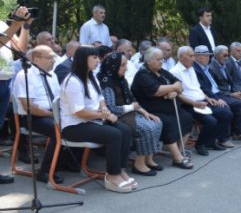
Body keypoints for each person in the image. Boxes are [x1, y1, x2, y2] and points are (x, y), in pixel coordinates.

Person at [59, 46, 135, 193]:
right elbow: (79, 112)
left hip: (92, 120)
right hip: (74, 126)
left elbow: (100, 99)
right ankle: (112, 175)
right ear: (83, 60)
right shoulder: (72, 81)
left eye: (97, 57)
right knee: (114, 135)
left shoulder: (91, 76)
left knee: (125, 130)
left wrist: (104, 109)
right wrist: (103, 115)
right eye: (94, 58)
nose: (98, 61)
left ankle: (120, 169)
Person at [98, 52, 163, 176]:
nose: (126, 68)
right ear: (114, 66)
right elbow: (111, 108)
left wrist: (146, 113)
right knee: (146, 128)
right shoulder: (107, 84)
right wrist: (131, 107)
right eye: (123, 65)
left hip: (128, 113)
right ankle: (139, 164)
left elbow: (132, 99)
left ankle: (148, 159)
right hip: (117, 117)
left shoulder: (121, 80)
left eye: (126, 64)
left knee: (156, 122)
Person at [131, 47, 194, 169]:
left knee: (187, 117)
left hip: (170, 107)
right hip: (151, 110)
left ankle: (180, 151)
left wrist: (174, 91)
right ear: (149, 61)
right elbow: (156, 90)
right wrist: (173, 88)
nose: (161, 61)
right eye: (158, 59)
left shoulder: (162, 71)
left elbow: (179, 83)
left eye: (162, 59)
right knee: (168, 123)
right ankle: (177, 158)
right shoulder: (142, 75)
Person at [13, 45, 64, 184]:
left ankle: (64, 163)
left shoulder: (52, 75)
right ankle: (45, 171)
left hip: (52, 113)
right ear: (36, 59)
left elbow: (59, 98)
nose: (54, 60)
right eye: (50, 57)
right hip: (33, 117)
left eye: (54, 57)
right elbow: (28, 106)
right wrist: (52, 115)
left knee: (75, 124)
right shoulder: (25, 75)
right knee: (58, 130)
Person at [170, 46, 232, 156]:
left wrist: (208, 98)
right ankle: (200, 144)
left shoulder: (191, 69)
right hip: (188, 104)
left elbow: (198, 89)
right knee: (211, 120)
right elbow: (178, 96)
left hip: (201, 100)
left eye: (193, 56)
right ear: (180, 57)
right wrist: (195, 103)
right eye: (190, 56)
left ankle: (211, 141)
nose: (193, 59)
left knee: (226, 112)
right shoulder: (175, 72)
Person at [0, 5, 32, 184]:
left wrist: (25, 25)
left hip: (5, 81)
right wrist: (16, 24)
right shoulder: (9, 26)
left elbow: (20, 49)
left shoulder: (3, 24)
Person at [193, 45, 241, 146]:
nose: (208, 58)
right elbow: (204, 89)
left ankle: (236, 133)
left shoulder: (206, 68)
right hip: (210, 97)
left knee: (240, 103)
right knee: (227, 109)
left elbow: (229, 83)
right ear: (197, 56)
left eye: (208, 55)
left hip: (217, 94)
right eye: (205, 56)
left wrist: (238, 91)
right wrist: (218, 98)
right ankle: (222, 139)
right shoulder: (199, 69)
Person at [208, 45, 241, 141]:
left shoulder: (223, 66)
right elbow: (214, 89)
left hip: (229, 92)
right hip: (220, 95)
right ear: (216, 55)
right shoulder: (212, 68)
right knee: (239, 104)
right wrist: (231, 94)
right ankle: (236, 133)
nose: (226, 58)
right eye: (224, 55)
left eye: (227, 55)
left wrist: (238, 91)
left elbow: (231, 83)